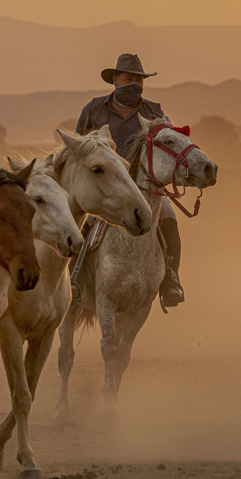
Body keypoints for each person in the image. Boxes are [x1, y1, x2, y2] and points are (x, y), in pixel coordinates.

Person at [73, 53, 185, 309]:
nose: (135, 83)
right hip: (102, 187)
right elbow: (78, 150)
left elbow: (167, 148)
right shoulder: (93, 109)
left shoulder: (154, 111)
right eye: (129, 78)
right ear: (115, 79)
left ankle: (171, 280)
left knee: (169, 220)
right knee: (80, 223)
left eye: (139, 79)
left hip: (144, 187)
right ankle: (74, 279)